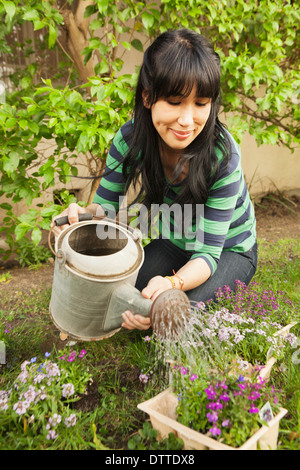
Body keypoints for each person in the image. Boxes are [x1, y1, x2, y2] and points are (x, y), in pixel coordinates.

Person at [51, 28, 257, 333]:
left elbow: (207, 254)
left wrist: (172, 284)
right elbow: (104, 213)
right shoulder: (130, 140)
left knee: (174, 314)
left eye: (201, 103)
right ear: (148, 96)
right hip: (175, 243)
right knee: (126, 295)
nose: (188, 121)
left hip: (230, 249)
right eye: (175, 102)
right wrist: (78, 219)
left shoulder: (222, 156)